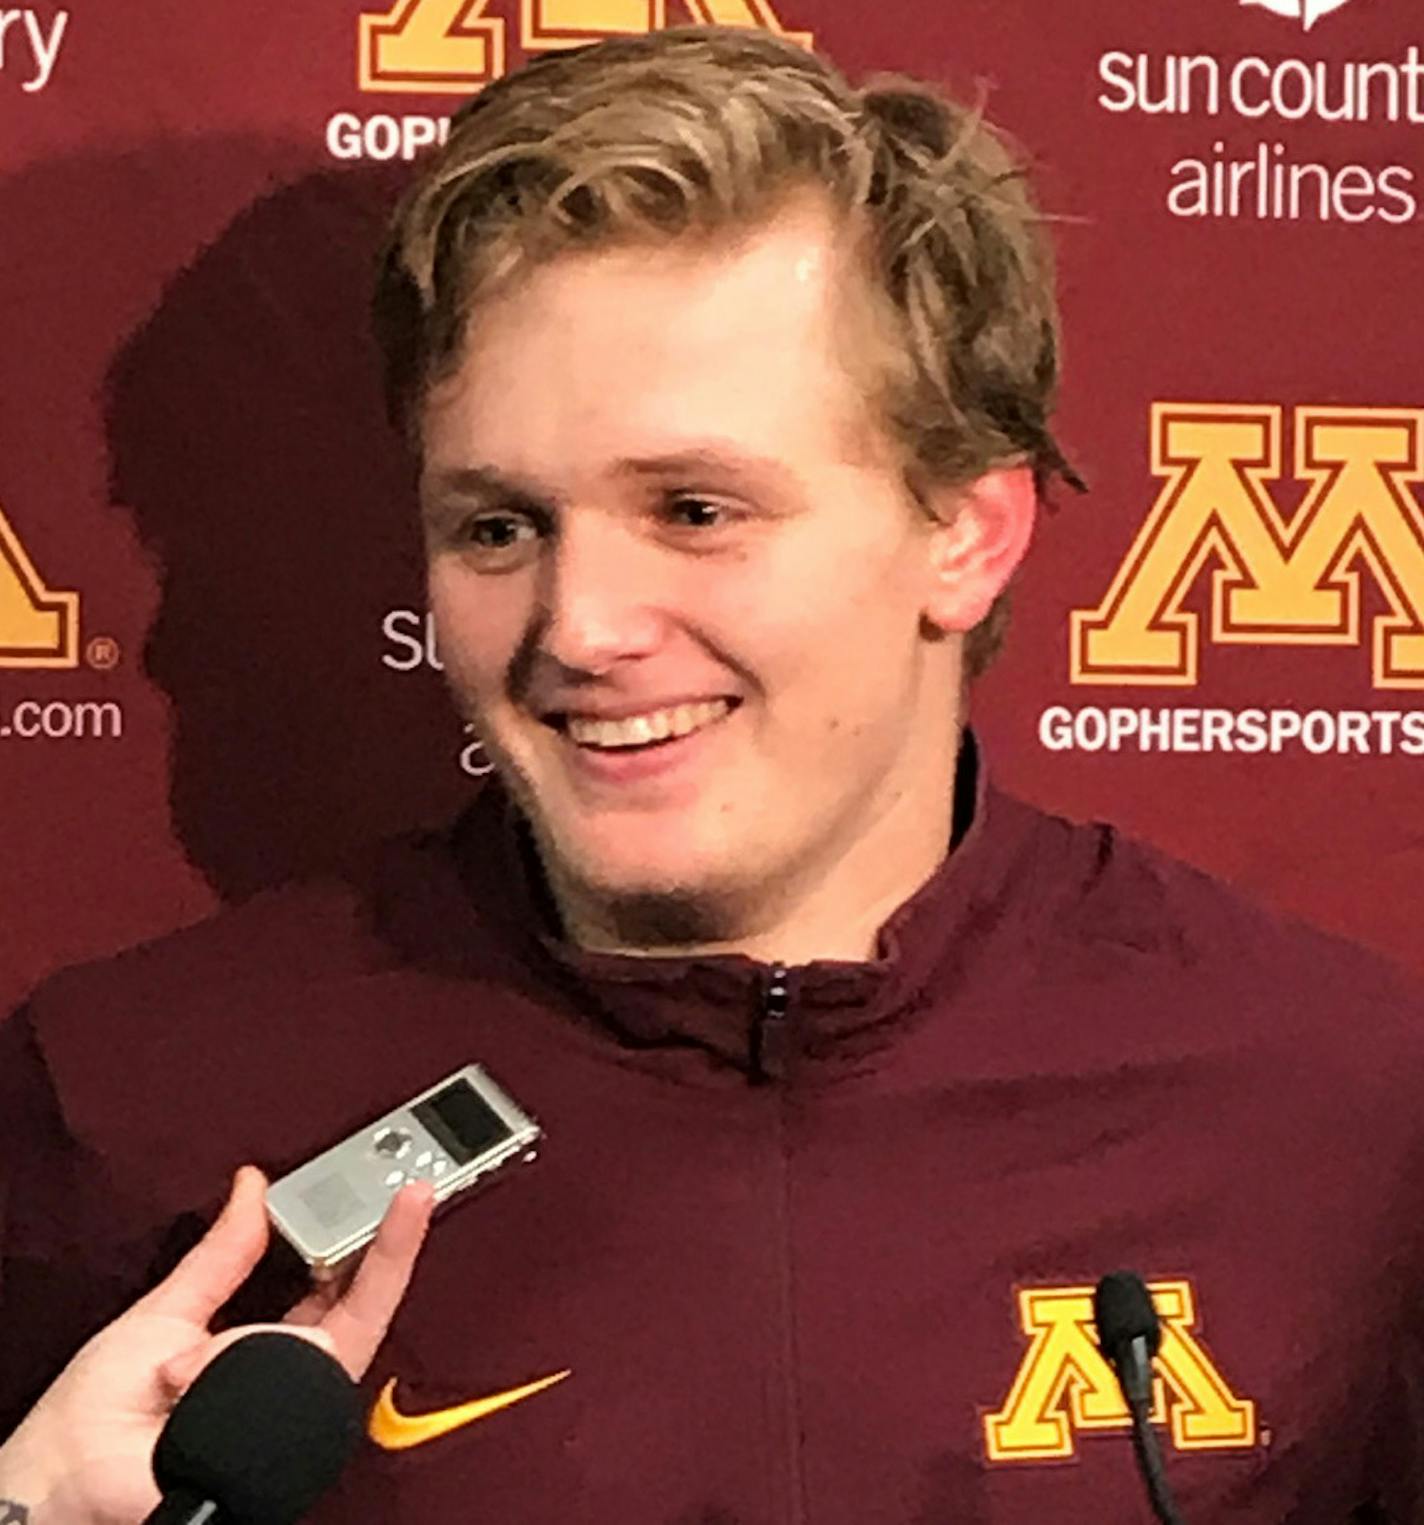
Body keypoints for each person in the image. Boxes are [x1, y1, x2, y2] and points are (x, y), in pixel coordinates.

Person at [4, 24, 1424, 1524]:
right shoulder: (126, 1097)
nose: (580, 628)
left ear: (968, 530)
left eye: (694, 507)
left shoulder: (1334, 1098)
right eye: (499, 526)